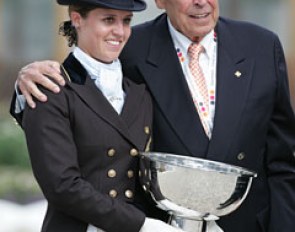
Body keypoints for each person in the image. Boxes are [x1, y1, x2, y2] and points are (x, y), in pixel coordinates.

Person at [10, 0, 295, 232]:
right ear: (160, 1)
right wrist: (27, 82)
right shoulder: (129, 47)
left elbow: (283, 159)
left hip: (249, 222)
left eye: (124, 21)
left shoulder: (262, 45)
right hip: (163, 223)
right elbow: (82, 90)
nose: (201, 2)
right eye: (110, 20)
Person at [11, 0, 189, 232]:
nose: (120, 31)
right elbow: (62, 186)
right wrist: (141, 225)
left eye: (126, 21)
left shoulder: (139, 92)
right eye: (108, 20)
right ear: (77, 20)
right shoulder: (50, 88)